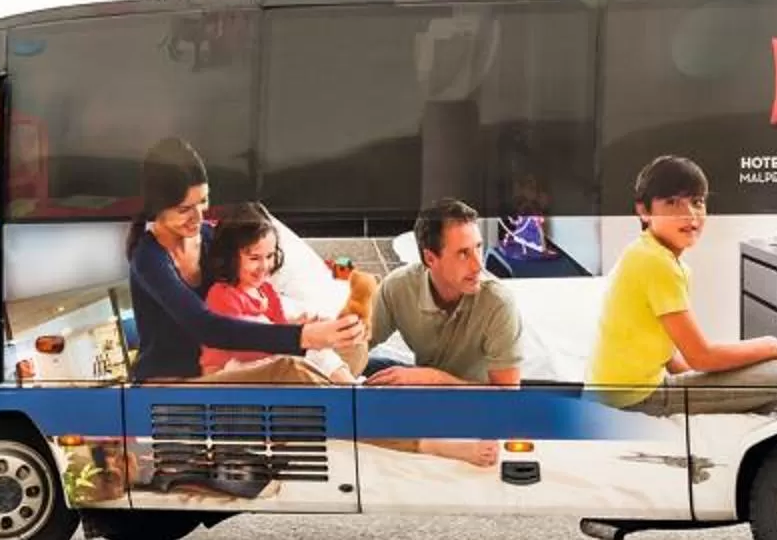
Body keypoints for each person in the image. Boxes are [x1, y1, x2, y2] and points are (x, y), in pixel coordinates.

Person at [124, 139, 362, 384]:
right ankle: (353, 406)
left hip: (232, 364)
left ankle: (351, 396)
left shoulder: (211, 237)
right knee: (292, 370)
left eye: (203, 201)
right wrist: (302, 336)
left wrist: (302, 326)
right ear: (157, 206)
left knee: (354, 348)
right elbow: (207, 327)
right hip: (173, 384)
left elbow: (251, 299)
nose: (198, 216)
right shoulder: (148, 258)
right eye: (185, 209)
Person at [589, 155, 777, 415]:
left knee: (760, 369)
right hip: (631, 399)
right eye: (672, 202)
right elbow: (701, 356)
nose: (690, 215)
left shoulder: (647, 253)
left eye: (697, 202)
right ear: (643, 211)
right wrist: (773, 344)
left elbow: (670, 356)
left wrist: (706, 381)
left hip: (616, 392)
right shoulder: (656, 263)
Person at [368, 199, 524, 387]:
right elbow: (360, 341)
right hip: (426, 385)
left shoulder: (498, 303)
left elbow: (507, 398)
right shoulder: (398, 286)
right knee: (365, 369)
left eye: (478, 247)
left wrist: (436, 380)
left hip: (477, 401)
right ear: (430, 258)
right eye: (463, 253)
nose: (478, 265)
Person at [198, 203, 354, 382]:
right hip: (228, 368)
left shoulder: (266, 290)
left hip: (261, 358)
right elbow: (242, 345)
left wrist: (302, 326)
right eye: (254, 258)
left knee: (319, 350)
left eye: (270, 256)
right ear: (230, 257)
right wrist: (301, 337)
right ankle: (345, 395)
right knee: (298, 357)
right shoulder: (223, 295)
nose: (264, 266)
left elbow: (279, 327)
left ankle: (353, 389)